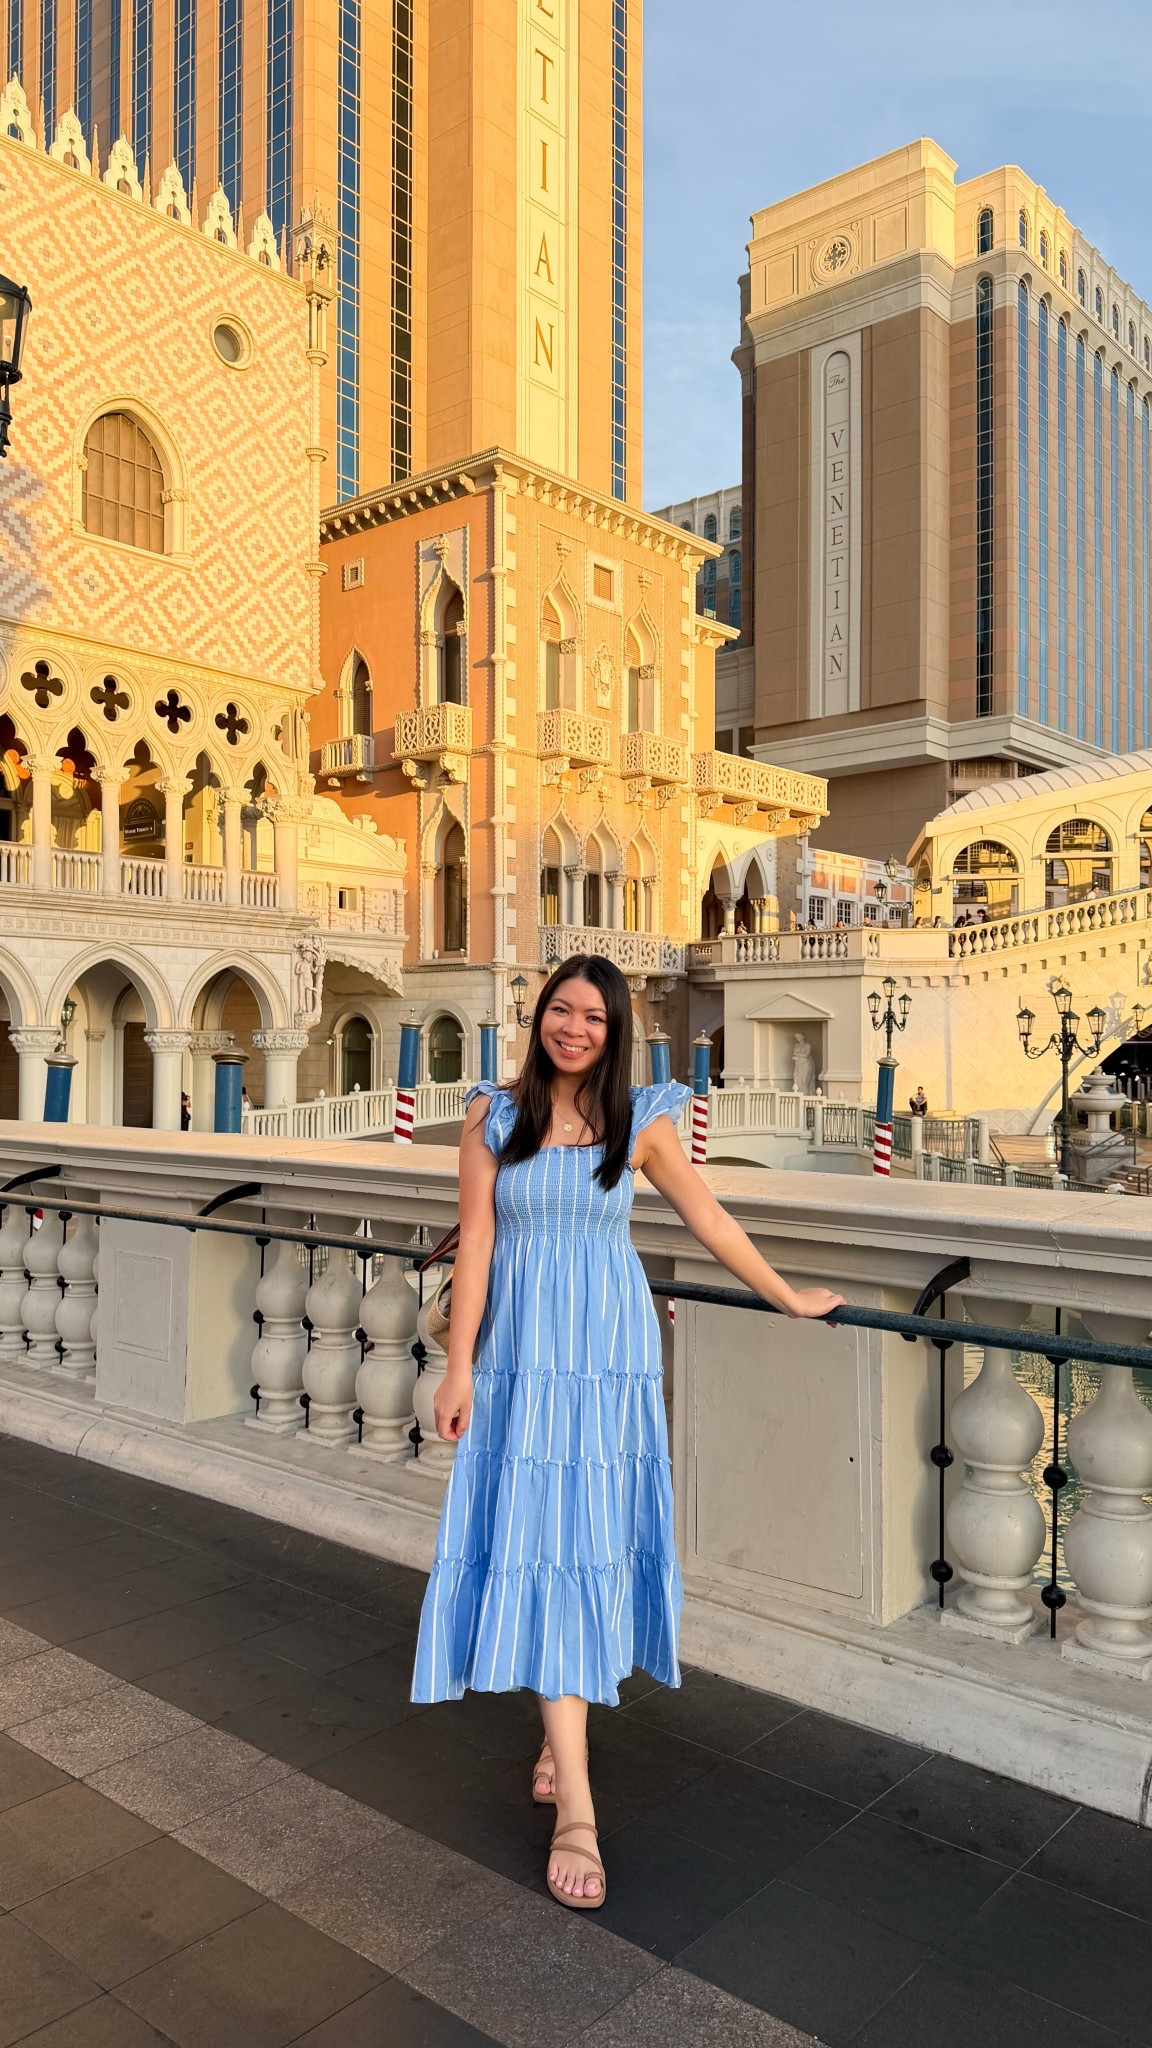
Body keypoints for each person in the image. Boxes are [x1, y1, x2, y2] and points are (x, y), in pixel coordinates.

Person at [411, 954, 845, 1911]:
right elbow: (476, 1244)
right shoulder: (493, 1114)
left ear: (616, 1032)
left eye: (594, 1018)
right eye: (560, 1010)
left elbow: (710, 1220)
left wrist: (783, 1295)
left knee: (584, 1544)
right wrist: (459, 1364)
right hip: (524, 1359)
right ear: (538, 1018)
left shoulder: (642, 1120)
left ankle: (559, 1743)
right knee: (537, 1542)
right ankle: (580, 1812)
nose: (574, 1028)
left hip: (607, 1362)